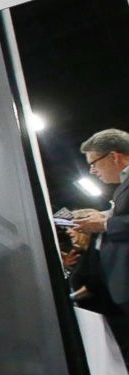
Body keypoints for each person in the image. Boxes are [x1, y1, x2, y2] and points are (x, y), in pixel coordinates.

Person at [75, 129, 129, 315]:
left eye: (94, 163)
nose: (92, 170)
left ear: (114, 156)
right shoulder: (122, 187)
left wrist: (104, 224)